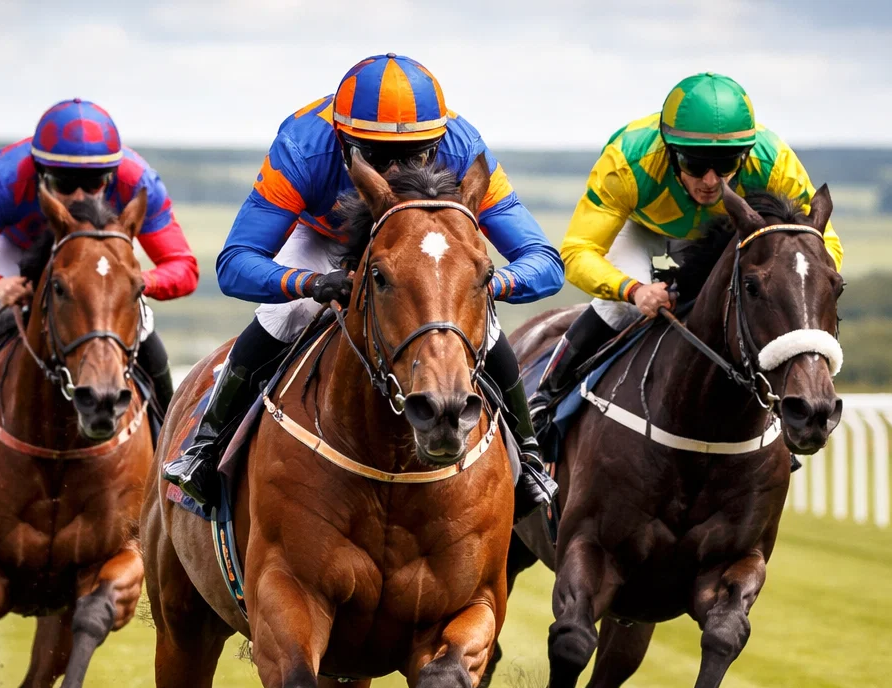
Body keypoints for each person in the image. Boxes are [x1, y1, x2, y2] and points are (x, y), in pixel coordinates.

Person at [163, 54, 564, 518]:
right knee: (285, 313)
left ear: (437, 142)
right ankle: (205, 448)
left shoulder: (461, 146)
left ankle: (529, 457)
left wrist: (481, 288)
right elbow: (235, 264)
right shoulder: (301, 147)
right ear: (341, 139)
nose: (393, 173)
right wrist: (312, 283)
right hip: (323, 237)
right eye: (374, 156)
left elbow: (544, 262)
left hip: (415, 243)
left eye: (414, 156)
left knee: (480, 326)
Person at [0, 98, 197, 475]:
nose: (81, 197)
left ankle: (175, 445)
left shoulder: (139, 181)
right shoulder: (3, 180)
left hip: (96, 262)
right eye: (66, 184)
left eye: (95, 183)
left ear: (112, 176)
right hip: (17, 250)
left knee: (143, 331)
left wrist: (133, 283)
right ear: (40, 173)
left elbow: (183, 267)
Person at [529, 72, 844, 429]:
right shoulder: (628, 161)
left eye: (726, 164)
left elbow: (822, 244)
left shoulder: (773, 162)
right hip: (641, 228)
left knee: (747, 300)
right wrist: (634, 291)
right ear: (670, 150)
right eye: (695, 164)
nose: (711, 180)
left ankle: (771, 407)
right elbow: (577, 251)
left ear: (745, 153)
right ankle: (546, 398)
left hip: (723, 235)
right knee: (620, 308)